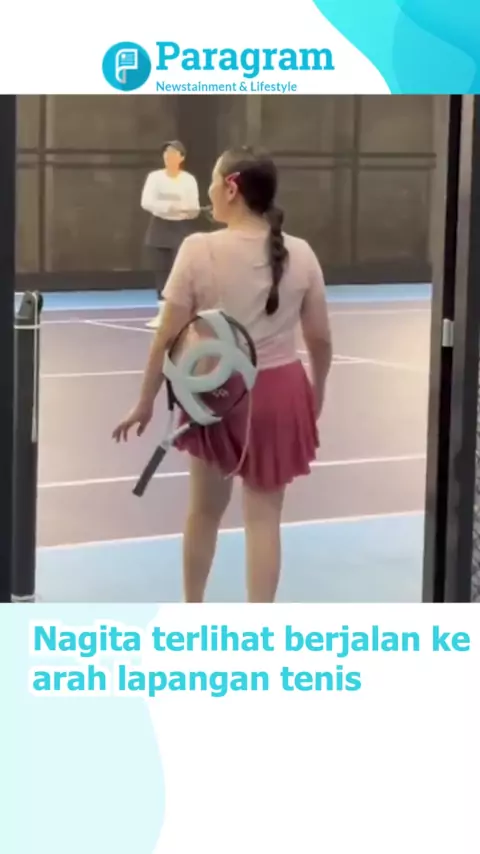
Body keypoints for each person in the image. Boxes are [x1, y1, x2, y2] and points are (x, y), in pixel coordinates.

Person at [114, 146, 332, 603]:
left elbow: (167, 336)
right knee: (264, 518)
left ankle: (193, 612)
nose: (209, 191)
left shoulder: (199, 249)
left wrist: (145, 400)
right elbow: (320, 339)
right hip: (281, 392)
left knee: (204, 513)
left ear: (230, 187)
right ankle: (259, 628)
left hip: (217, 396)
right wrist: (317, 394)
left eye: (213, 181)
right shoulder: (303, 253)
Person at [141, 140, 200, 329]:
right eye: (166, 153)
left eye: (173, 153)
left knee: (179, 274)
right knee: (161, 272)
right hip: (159, 227)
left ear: (181, 158)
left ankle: (181, 315)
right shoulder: (154, 177)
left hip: (180, 229)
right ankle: (162, 315)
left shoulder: (189, 180)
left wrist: (185, 210)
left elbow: (194, 208)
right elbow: (147, 202)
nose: (169, 156)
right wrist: (168, 207)